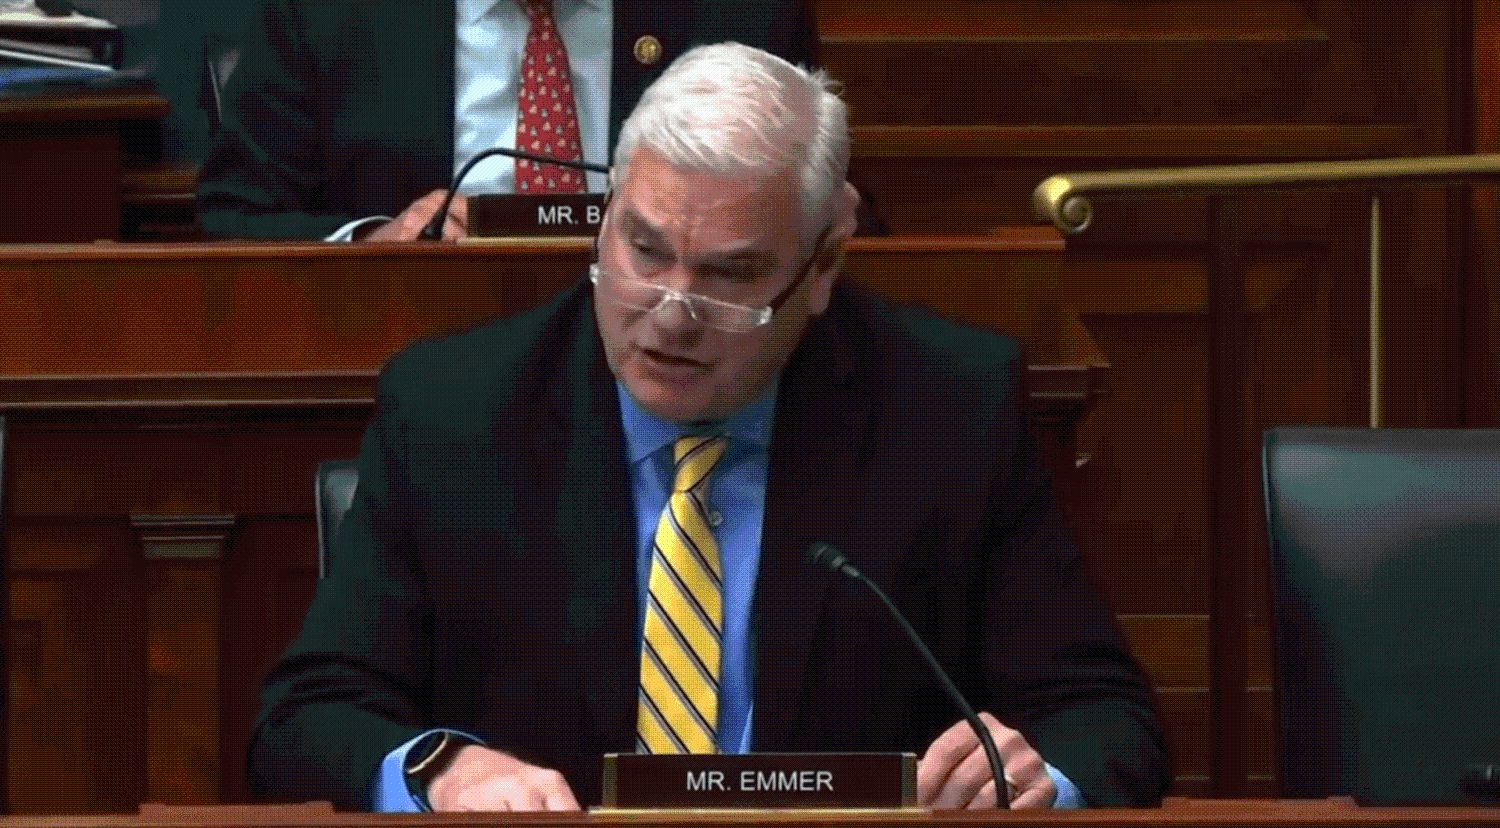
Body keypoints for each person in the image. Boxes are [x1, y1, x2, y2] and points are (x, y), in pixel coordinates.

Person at [248, 43, 1168, 812]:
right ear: (606, 217)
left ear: (822, 266)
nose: (671, 314)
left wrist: (1031, 777)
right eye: (644, 250)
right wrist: (441, 770)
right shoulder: (456, 413)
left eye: (729, 276)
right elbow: (308, 719)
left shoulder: (948, 409)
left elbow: (1104, 720)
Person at [195, 0, 817, 240]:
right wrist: (375, 240)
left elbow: (820, 216)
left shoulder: (741, 13)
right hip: (411, 348)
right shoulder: (324, 14)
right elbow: (236, 217)